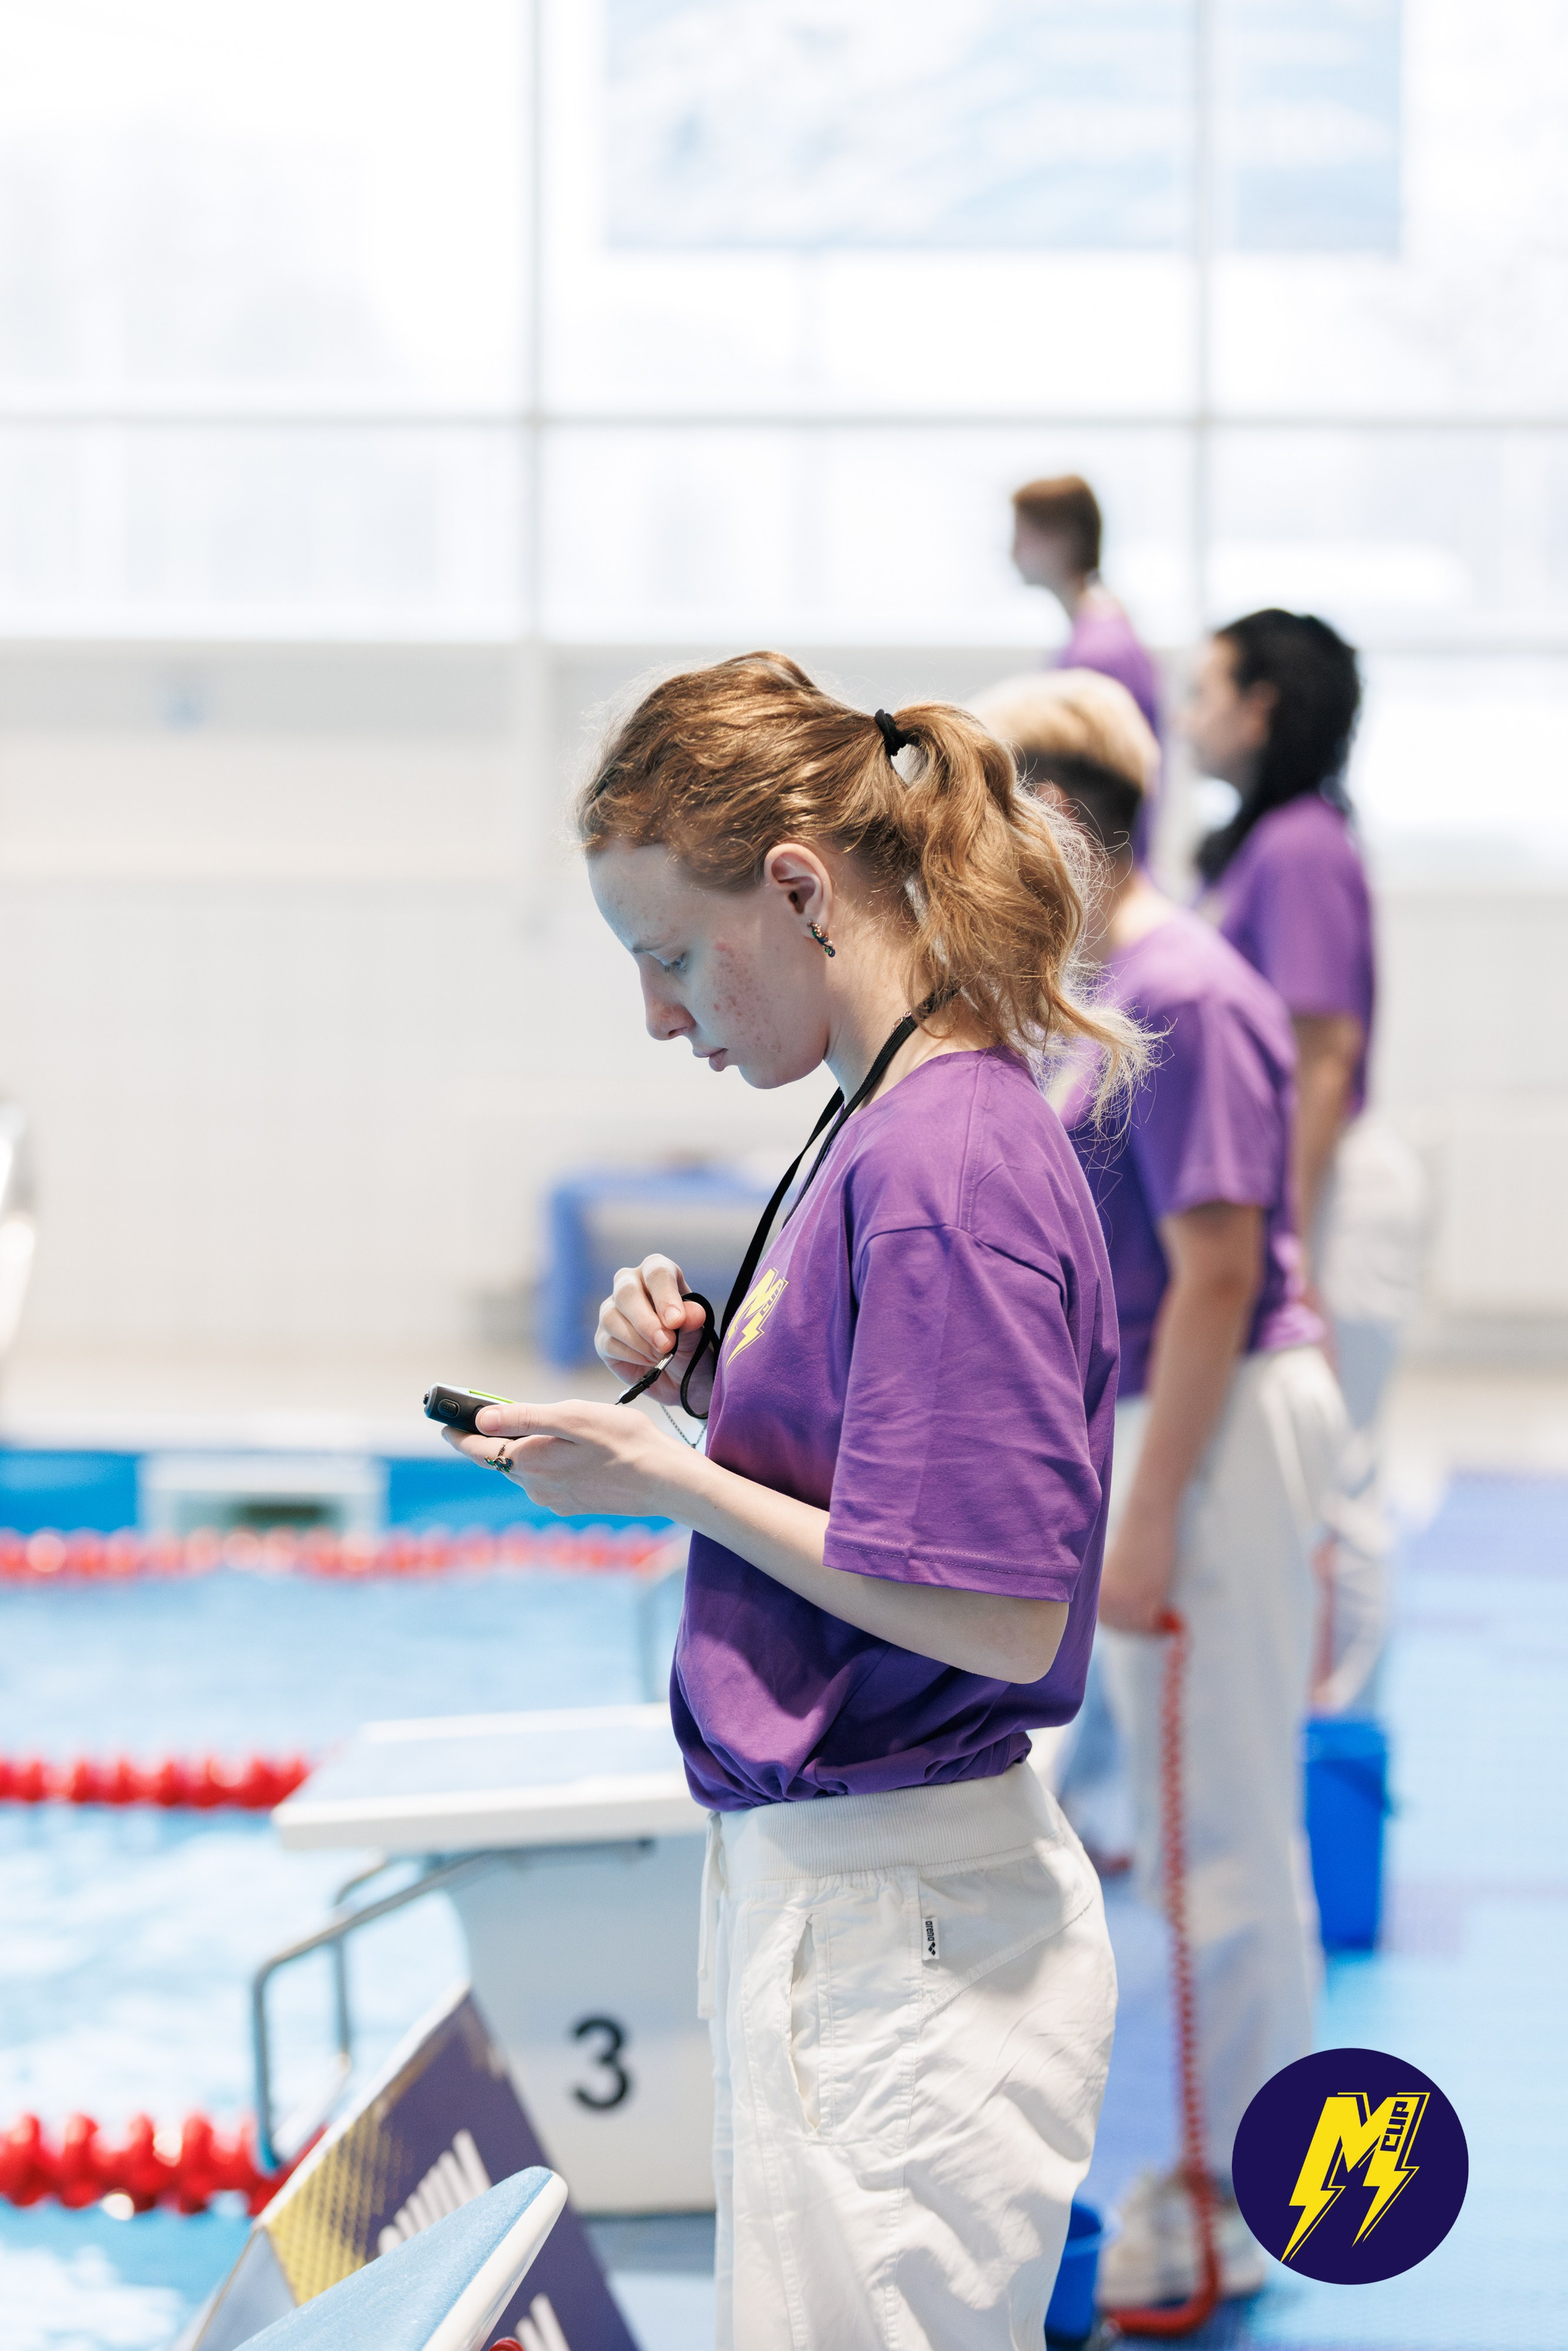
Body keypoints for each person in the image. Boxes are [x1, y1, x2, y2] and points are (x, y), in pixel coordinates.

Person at [445, 653, 1135, 2350]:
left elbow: (995, 1602)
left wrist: (665, 1478)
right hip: (857, 1911)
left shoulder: (941, 1160)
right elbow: (892, 1462)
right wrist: (704, 1385)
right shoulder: (878, 1109)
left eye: (671, 956)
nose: (665, 1017)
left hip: (903, 1944)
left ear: (801, 887)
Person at [976, 667, 1347, 2307]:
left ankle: (1224, 2211)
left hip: (1218, 1425)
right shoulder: (1113, 978)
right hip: (1188, 1424)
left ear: (1054, 821)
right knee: (1202, 1821)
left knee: (1216, 1838)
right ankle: (1252, 2182)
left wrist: (1139, 1523)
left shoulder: (1180, 988)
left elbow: (1214, 1272)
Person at [1186, 610, 1425, 1712]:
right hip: (1305, 1184)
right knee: (1309, 1463)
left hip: (1329, 1188)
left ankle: (1337, 1735)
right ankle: (1309, 1720)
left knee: (1340, 1463)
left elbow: (1324, 1055)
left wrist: (1284, 1228)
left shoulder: (1303, 847)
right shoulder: (1269, 841)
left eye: (1204, 692)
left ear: (1260, 706)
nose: (1189, 718)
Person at [1011, 472, 1163, 864]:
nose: (1012, 553)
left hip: (1105, 870)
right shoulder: (1098, 632)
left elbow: (1099, 791)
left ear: (1062, 539)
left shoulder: (1098, 654)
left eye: (1023, 536)